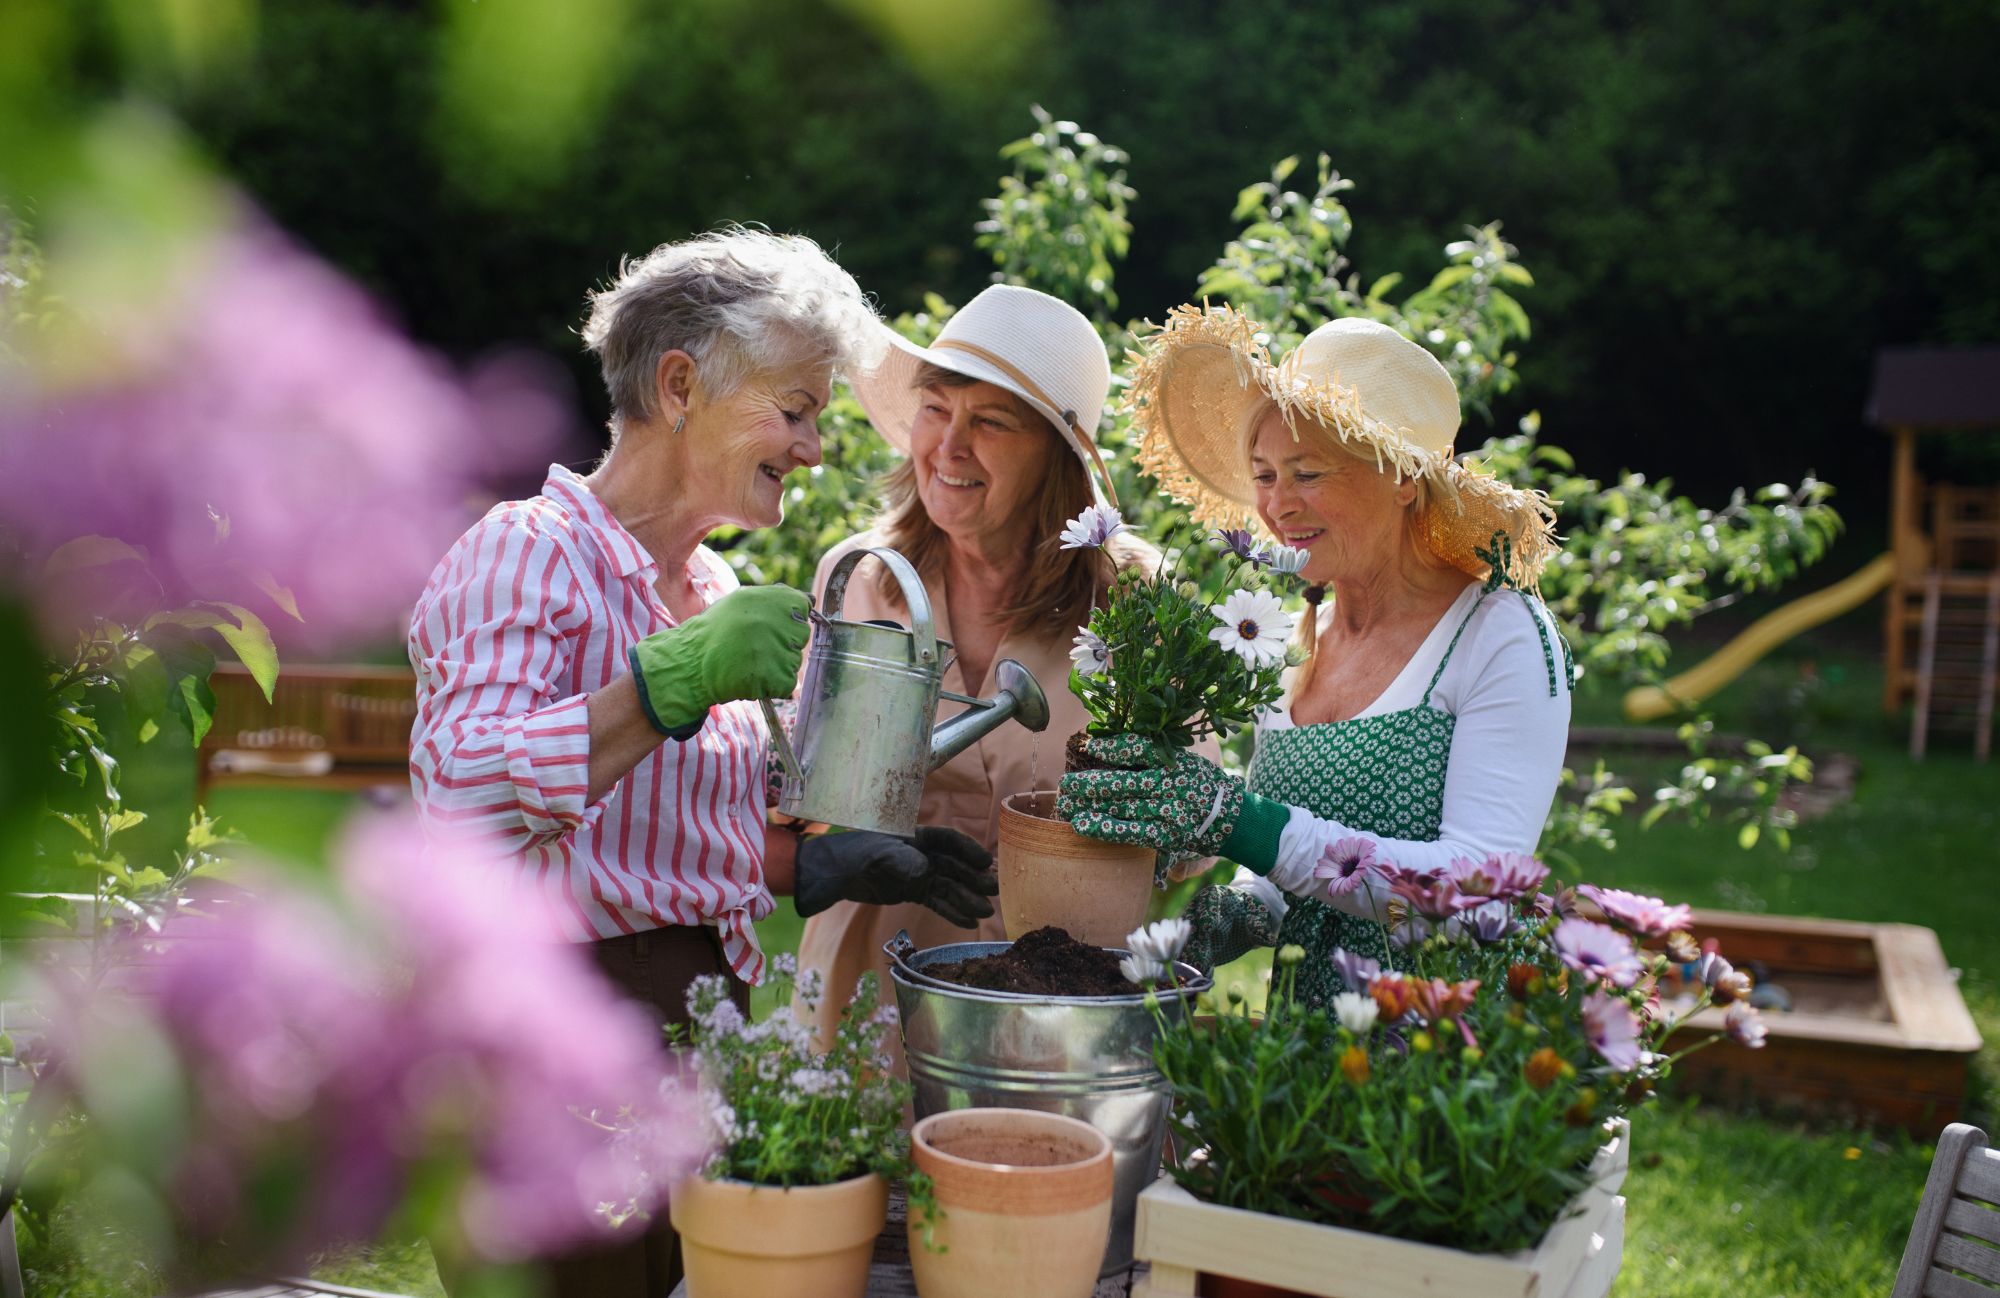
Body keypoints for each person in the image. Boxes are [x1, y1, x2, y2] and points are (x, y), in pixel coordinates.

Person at [407, 229, 996, 1297]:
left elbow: (663, 841)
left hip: (689, 1053)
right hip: (553, 1053)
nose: (813, 446)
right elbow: (460, 808)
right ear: (678, 385)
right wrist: (660, 685)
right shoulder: (526, 549)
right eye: (793, 407)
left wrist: (821, 863)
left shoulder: (714, 585)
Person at [1057, 306, 1572, 1007]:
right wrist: (1241, 908)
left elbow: (1475, 887)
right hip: (1302, 1071)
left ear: (1402, 477)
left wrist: (1239, 822)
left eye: (1308, 473)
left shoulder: (1496, 633)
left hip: (1446, 1057)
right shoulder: (1297, 637)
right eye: (1265, 474)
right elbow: (1291, 869)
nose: (1277, 506)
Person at [794, 284, 1177, 1053]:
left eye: (991, 422)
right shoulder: (863, 579)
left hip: (1060, 999)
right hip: (874, 984)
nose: (949, 446)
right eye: (936, 408)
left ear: (1057, 463)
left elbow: (1185, 833)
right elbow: (804, 796)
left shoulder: (1129, 598)